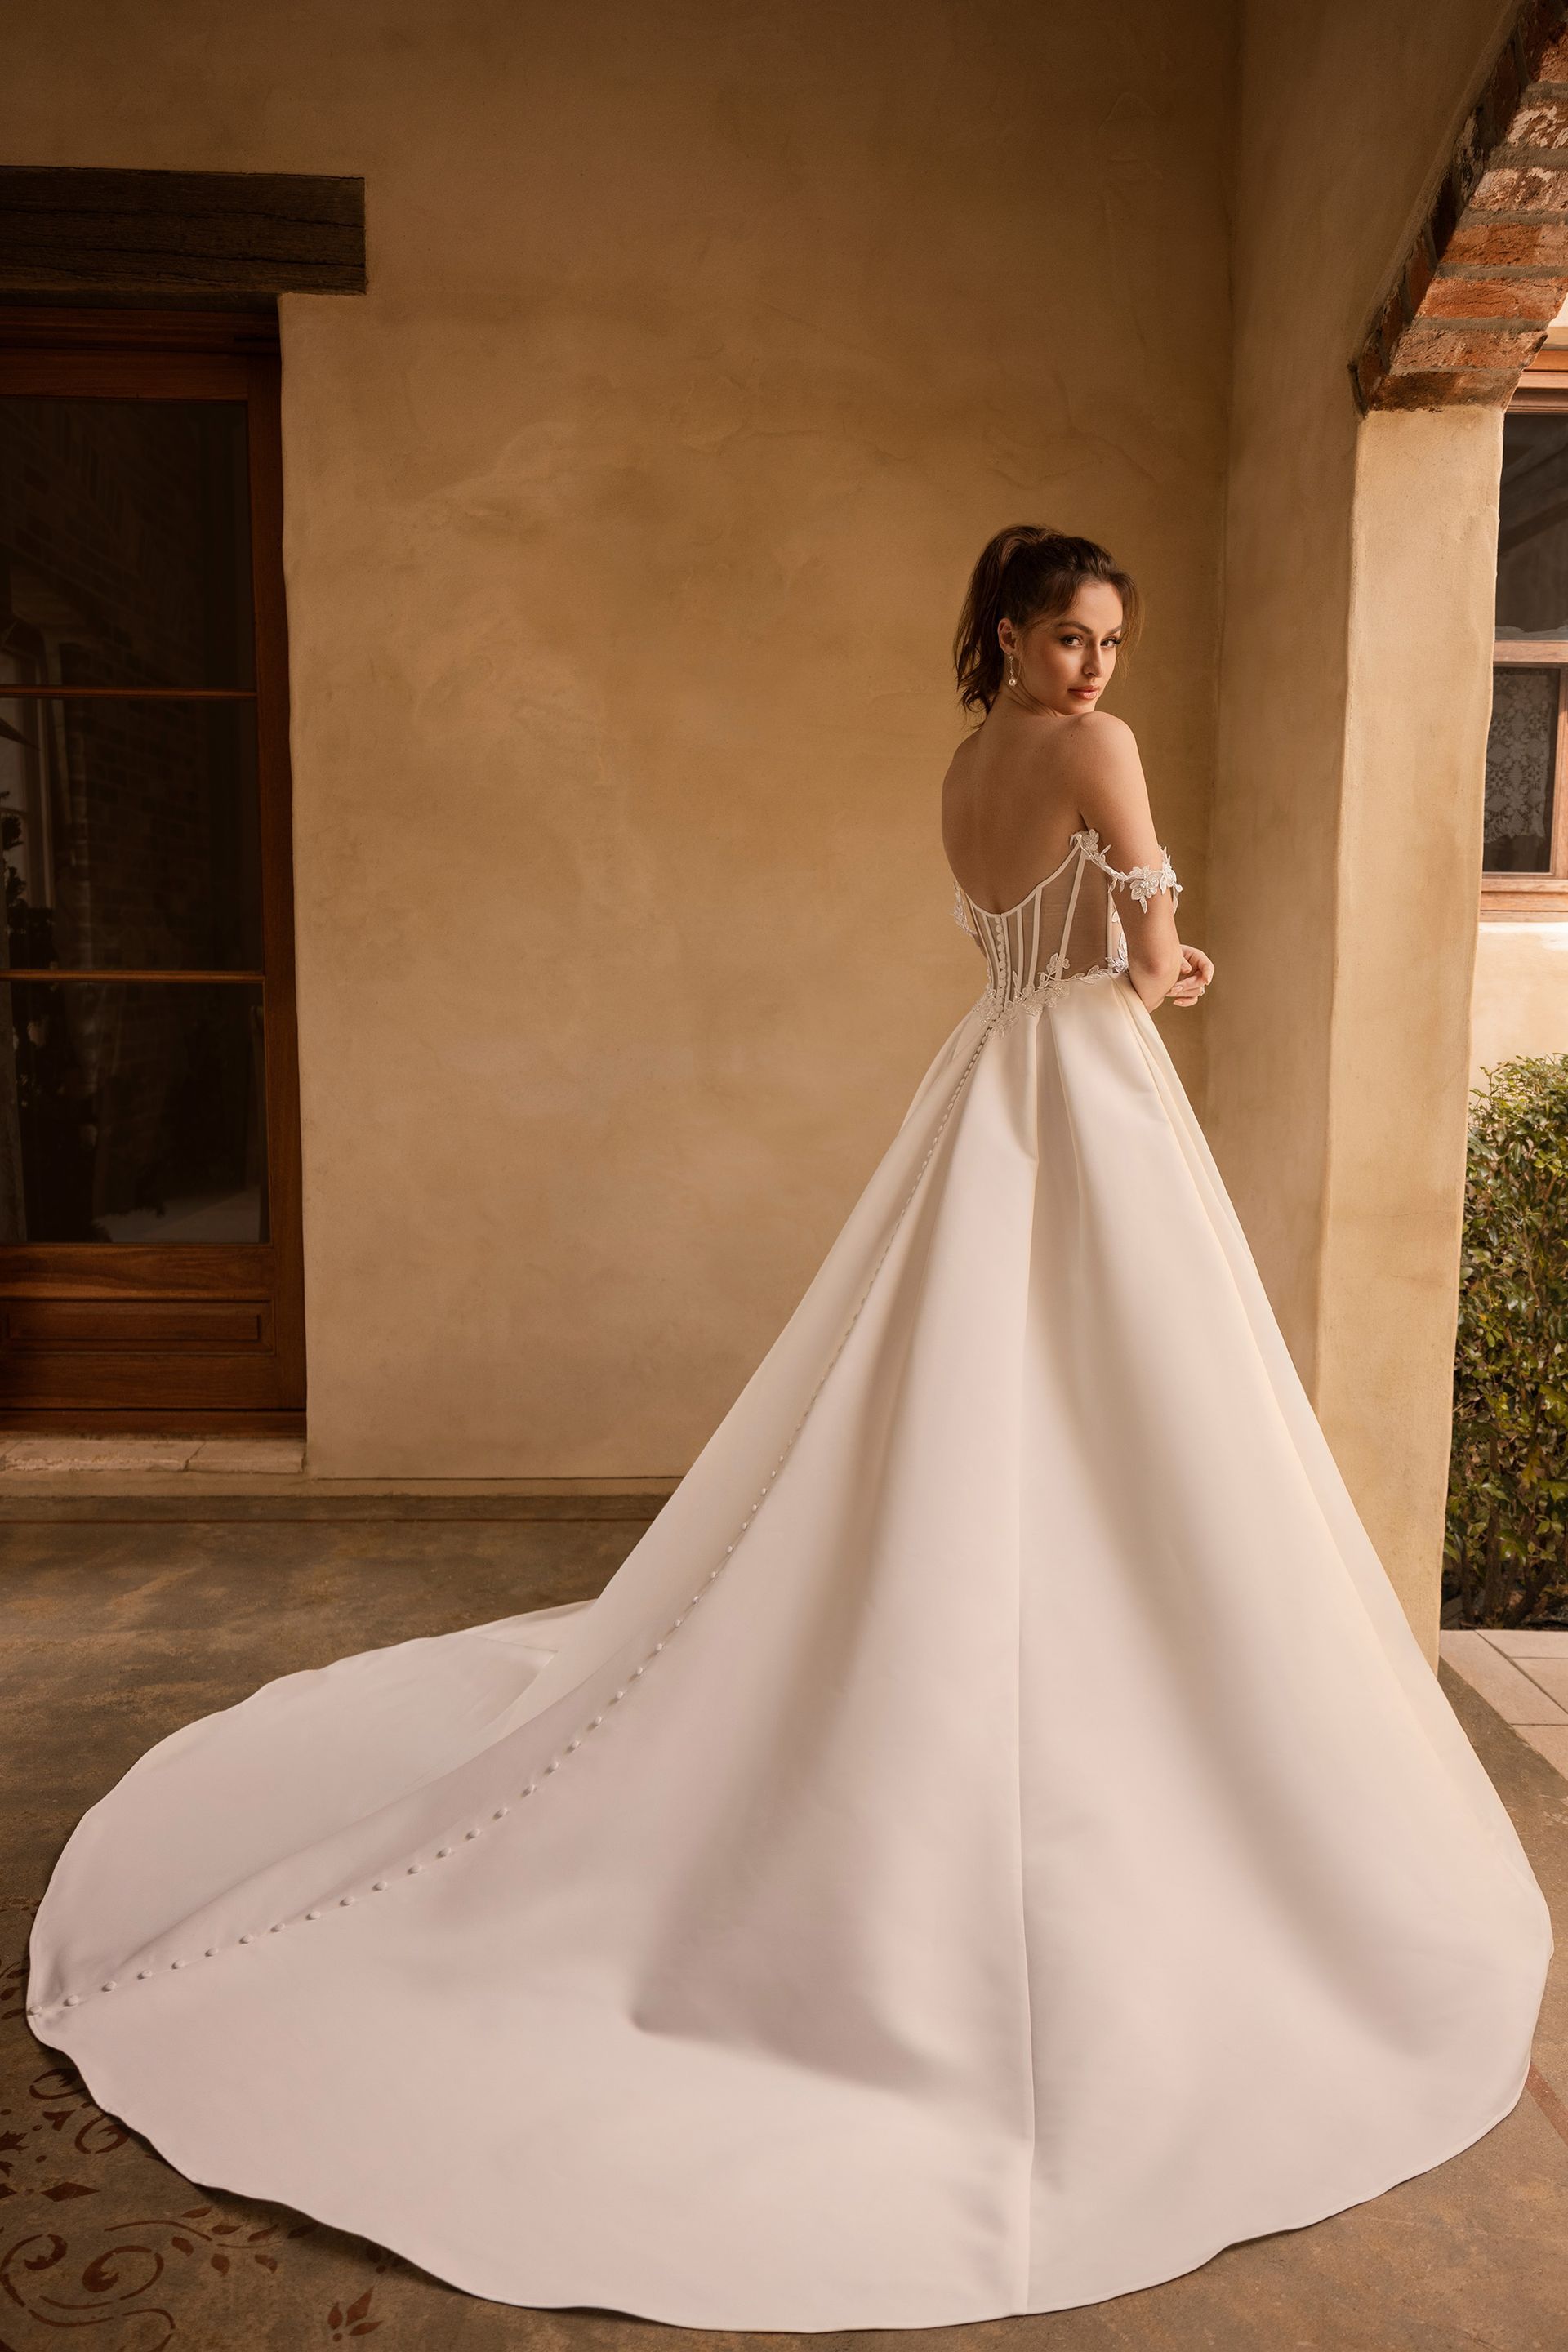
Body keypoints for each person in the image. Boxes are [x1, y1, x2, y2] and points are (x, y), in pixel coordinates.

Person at [27, 525, 1552, 2331]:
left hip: (988, 1075)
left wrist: (1114, 964)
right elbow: (1144, 951)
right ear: (1008, 633)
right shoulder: (1095, 758)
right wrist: (1174, 973)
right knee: (1129, 1407)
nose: (1097, 671)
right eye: (1070, 637)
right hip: (1087, 1082)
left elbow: (1013, 940)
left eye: (1110, 645)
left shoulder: (966, 764)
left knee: (972, 1398)